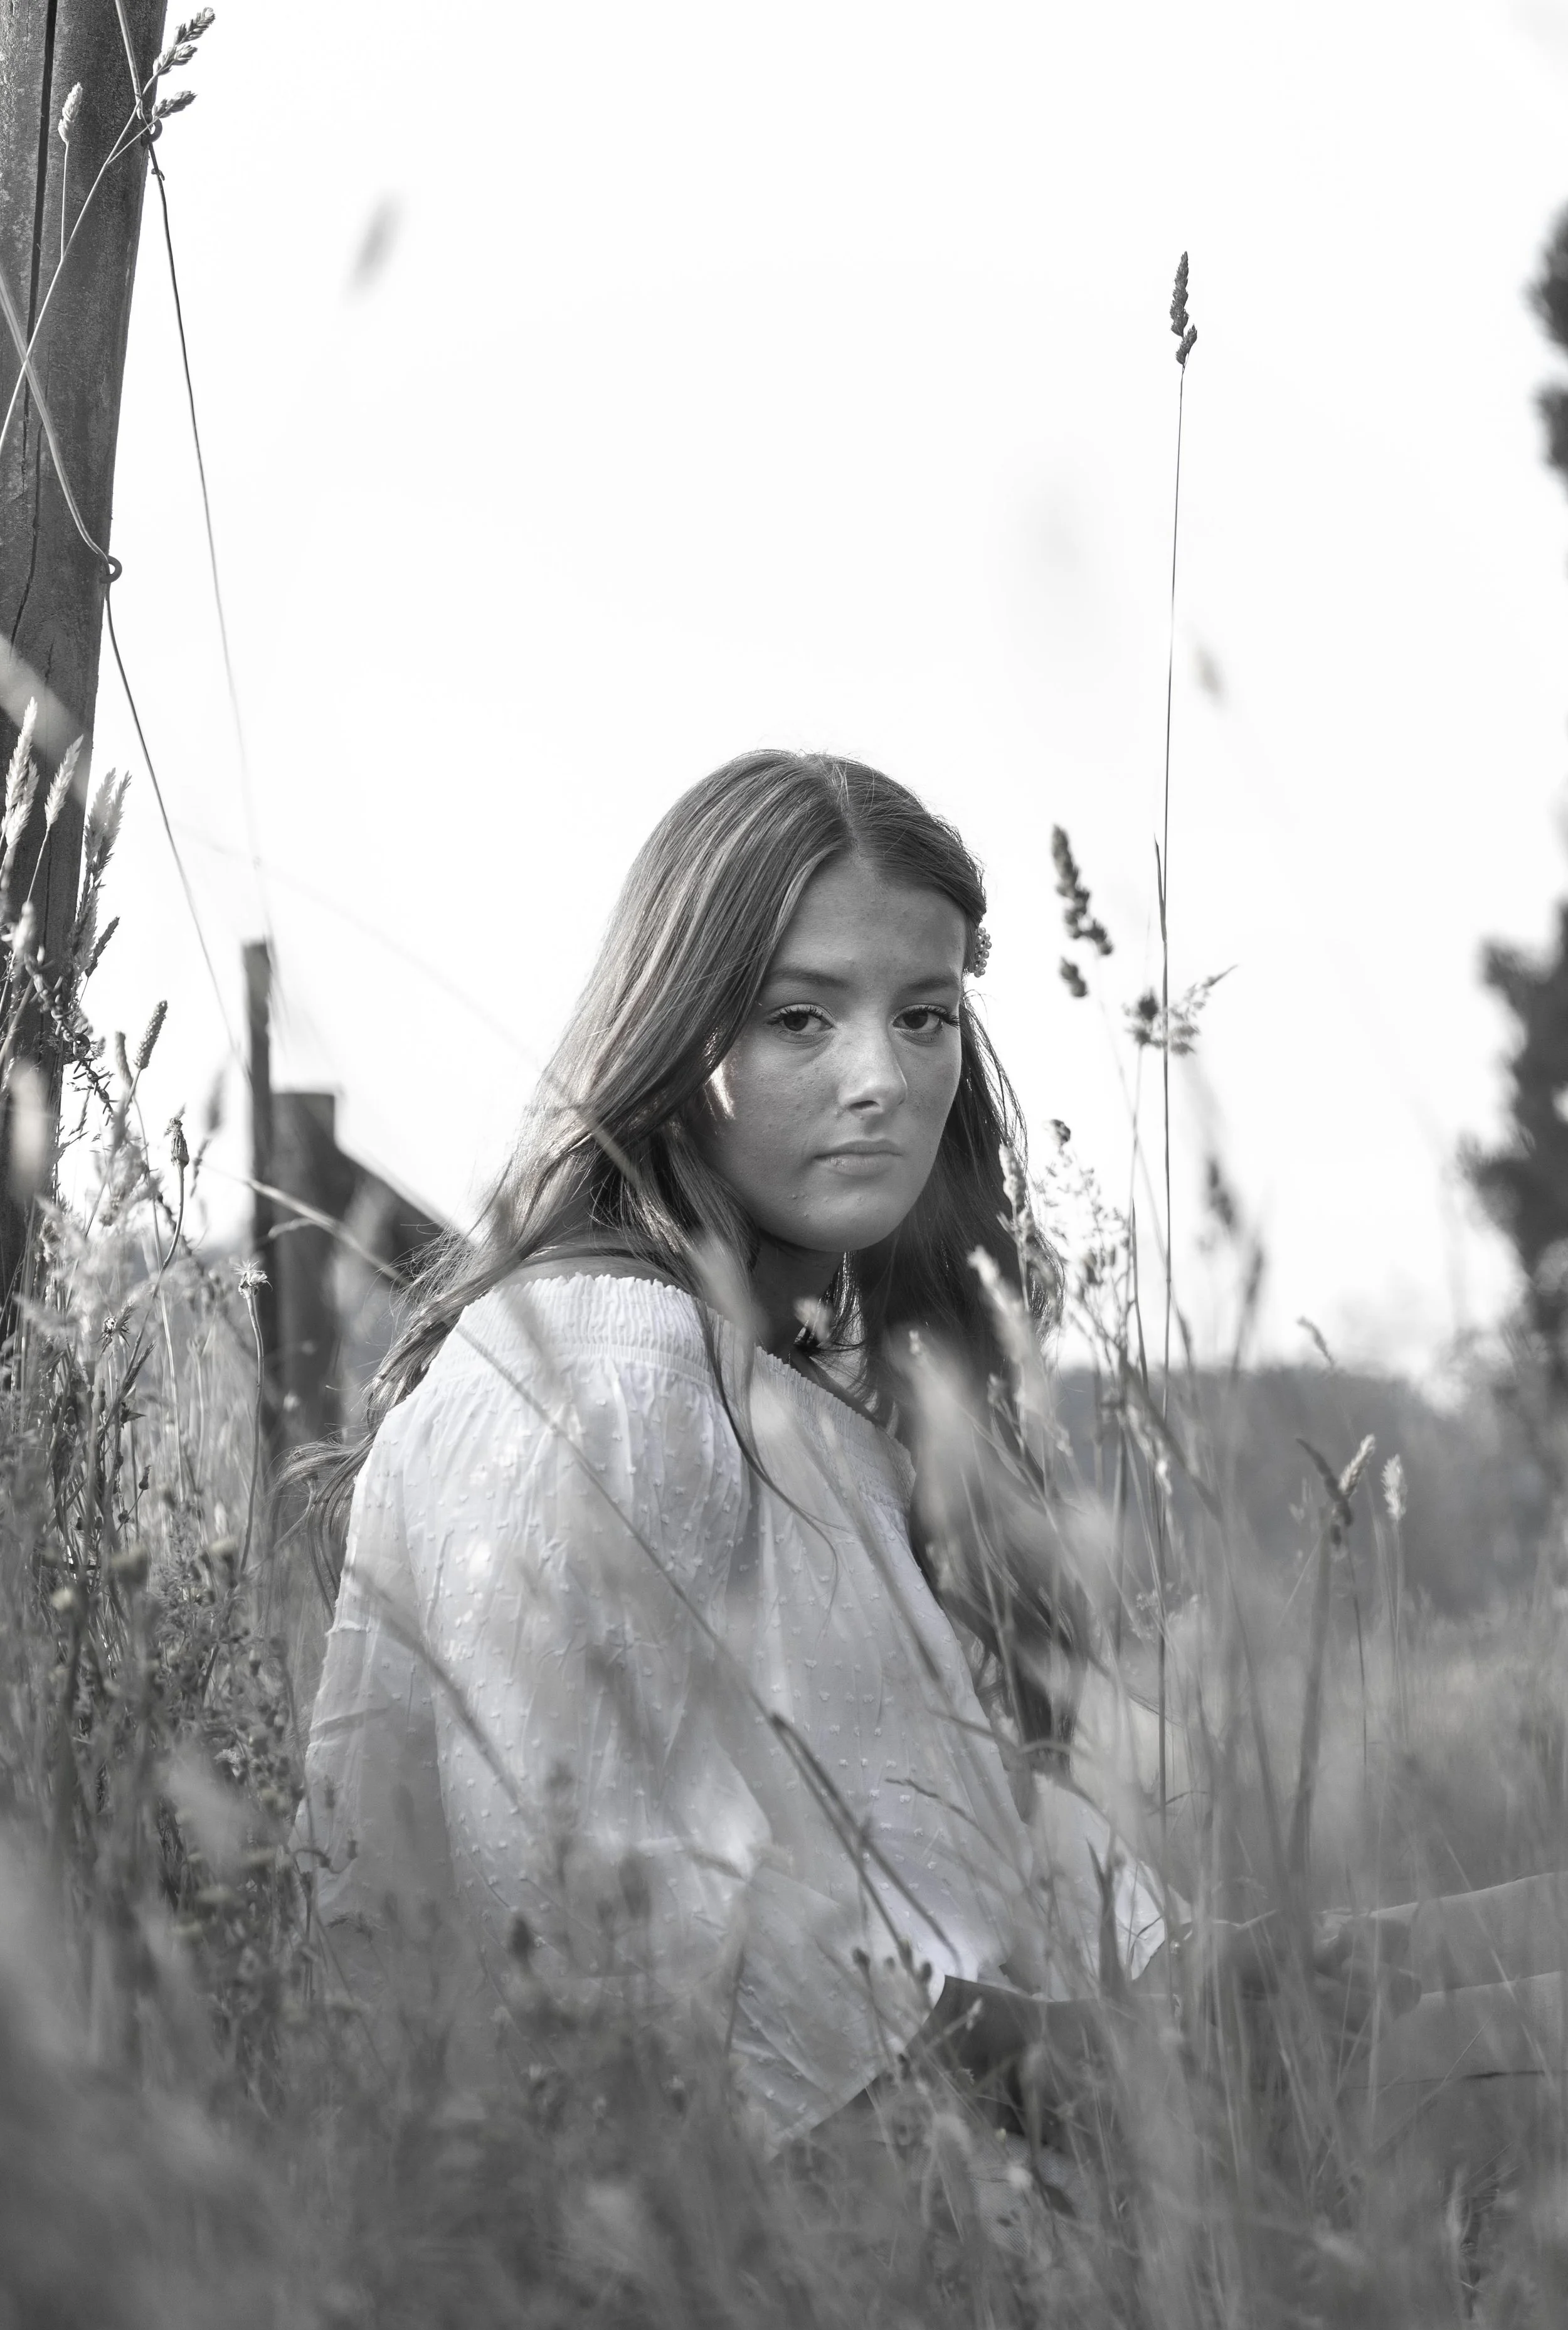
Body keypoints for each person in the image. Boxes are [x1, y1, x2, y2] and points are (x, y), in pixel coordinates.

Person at [295, 749, 1170, 2147]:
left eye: (925, 1015)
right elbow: (597, 1950)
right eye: (799, 1019)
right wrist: (1090, 2072)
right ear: (677, 1030)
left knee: (1432, 1989)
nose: (883, 1078)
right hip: (775, 2214)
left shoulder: (775, 1379)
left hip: (989, 2142)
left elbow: (946, 1873)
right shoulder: (603, 1374)